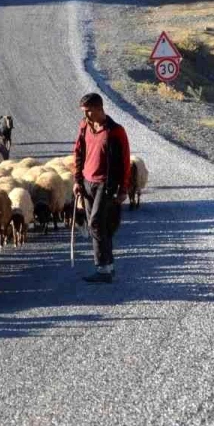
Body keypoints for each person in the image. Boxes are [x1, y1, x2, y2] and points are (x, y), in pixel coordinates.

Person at [72, 92, 130, 284]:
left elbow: (125, 161)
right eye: (84, 112)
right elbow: (78, 153)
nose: (86, 115)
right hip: (88, 182)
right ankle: (109, 266)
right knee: (100, 226)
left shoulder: (115, 131)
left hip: (106, 184)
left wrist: (123, 189)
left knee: (95, 223)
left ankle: (102, 267)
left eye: (89, 111)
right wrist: (77, 181)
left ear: (99, 108)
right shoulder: (84, 127)